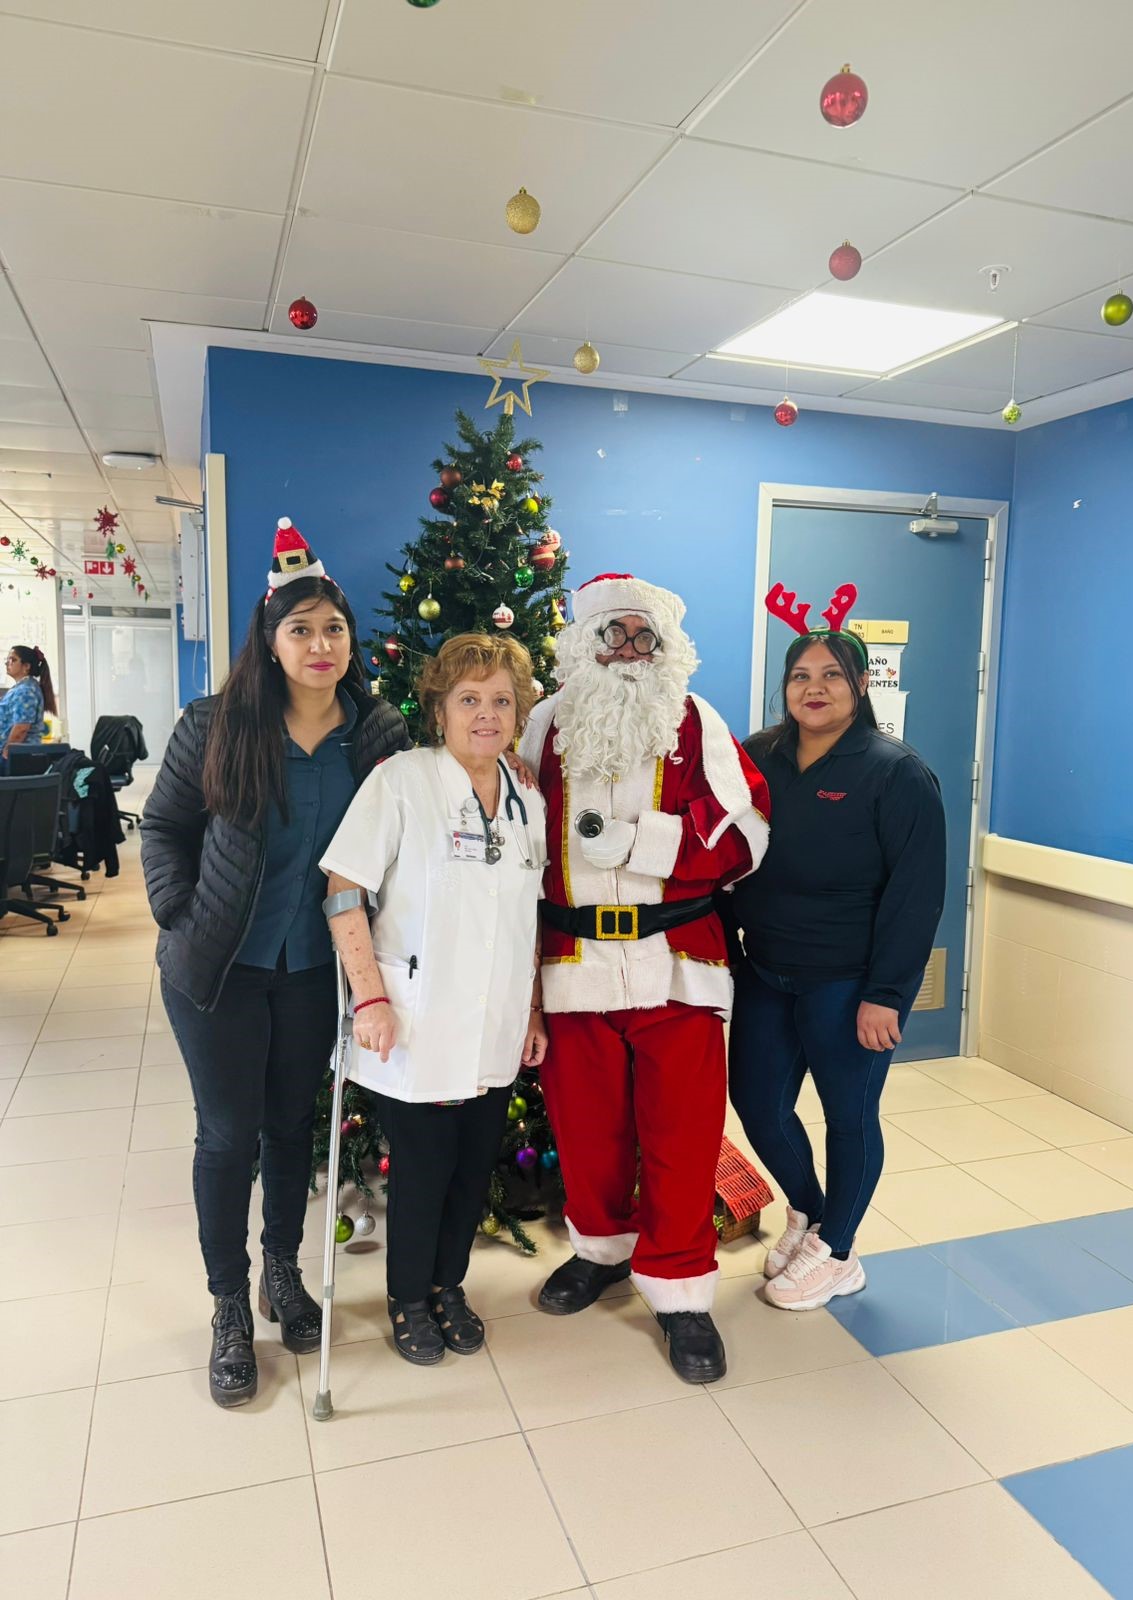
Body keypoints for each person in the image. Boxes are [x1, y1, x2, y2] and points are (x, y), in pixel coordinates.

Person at [141, 519, 411, 1408]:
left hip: (311, 970)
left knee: (290, 1129)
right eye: (301, 629)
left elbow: (410, 828)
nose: (320, 644)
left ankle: (282, 1272)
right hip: (218, 967)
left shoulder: (376, 735)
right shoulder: (216, 724)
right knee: (227, 1135)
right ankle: (228, 1305)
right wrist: (179, 913)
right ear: (269, 640)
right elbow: (165, 828)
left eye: (334, 628)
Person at [518, 573, 770, 1384]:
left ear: (665, 648)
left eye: (643, 637)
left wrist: (641, 842)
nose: (629, 651)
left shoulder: (695, 721)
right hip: (572, 964)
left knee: (682, 1138)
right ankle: (602, 1249)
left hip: (677, 967)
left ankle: (680, 1288)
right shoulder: (542, 725)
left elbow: (746, 830)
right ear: (583, 643)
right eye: (613, 635)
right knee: (587, 1132)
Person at [320, 633, 548, 1365]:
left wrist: (533, 1011)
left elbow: (529, 916)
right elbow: (344, 890)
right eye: (469, 699)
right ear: (439, 709)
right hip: (415, 1023)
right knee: (422, 1175)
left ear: (519, 713)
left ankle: (449, 1286)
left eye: (502, 701)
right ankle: (408, 1298)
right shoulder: (401, 782)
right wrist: (369, 1000)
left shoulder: (527, 800)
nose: (487, 714)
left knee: (473, 1170)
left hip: (496, 1024)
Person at [726, 581, 946, 1312]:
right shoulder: (758, 757)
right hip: (766, 969)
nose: (813, 688)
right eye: (799, 675)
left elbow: (917, 895)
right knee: (758, 1105)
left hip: (850, 982)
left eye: (831, 675)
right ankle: (812, 1213)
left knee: (848, 1116)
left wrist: (887, 994)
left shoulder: (895, 771)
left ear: (860, 685)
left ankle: (840, 1251)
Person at [1, 644, 54, 767]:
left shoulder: (25, 691)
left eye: (13, 659)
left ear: (26, 666)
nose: (7, 663)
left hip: (16, 757)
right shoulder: (21, 688)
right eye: (7, 659)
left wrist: (6, 753)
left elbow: (21, 728)